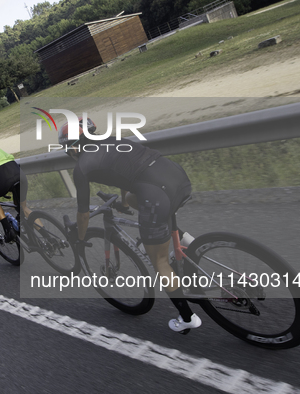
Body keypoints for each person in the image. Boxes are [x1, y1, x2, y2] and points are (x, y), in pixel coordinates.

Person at [62, 117, 201, 333]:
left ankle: (187, 317)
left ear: (72, 147)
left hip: (156, 194)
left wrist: (80, 240)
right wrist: (124, 202)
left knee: (160, 262)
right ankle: (187, 242)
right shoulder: (113, 140)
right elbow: (128, 173)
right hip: (176, 176)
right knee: (141, 202)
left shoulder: (81, 168)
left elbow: (83, 214)